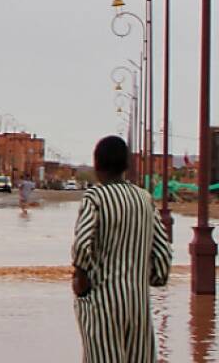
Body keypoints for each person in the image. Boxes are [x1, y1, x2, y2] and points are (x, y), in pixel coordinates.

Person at [72, 136, 171, 363]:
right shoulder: (144, 199)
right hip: (138, 304)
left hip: (101, 303)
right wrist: (155, 278)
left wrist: (81, 279)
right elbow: (163, 252)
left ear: (97, 165)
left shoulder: (94, 198)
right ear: (126, 165)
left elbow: (81, 244)